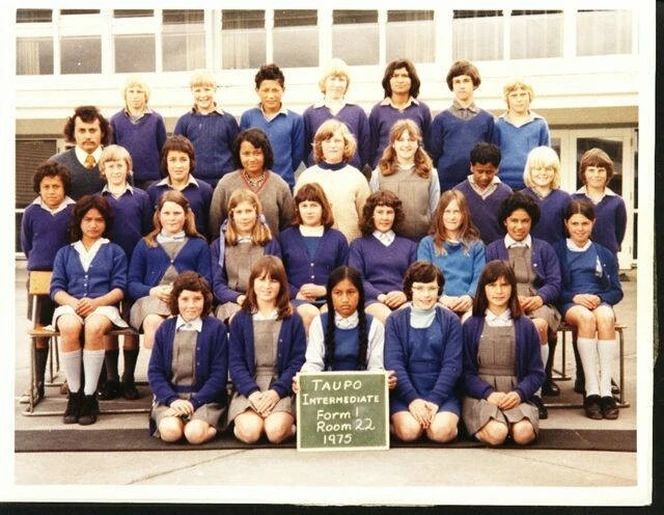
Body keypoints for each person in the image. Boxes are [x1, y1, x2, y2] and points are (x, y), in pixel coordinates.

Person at [49, 195, 129, 426]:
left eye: (99, 220)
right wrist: (73, 303)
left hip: (103, 307)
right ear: (79, 222)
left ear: (106, 223)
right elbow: (56, 288)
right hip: (70, 305)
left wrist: (96, 303)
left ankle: (90, 395)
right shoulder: (65, 252)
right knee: (69, 326)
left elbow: (120, 288)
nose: (93, 225)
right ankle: (74, 394)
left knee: (94, 328)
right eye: (88, 219)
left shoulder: (114, 251)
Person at [485, 192, 563, 417]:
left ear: (532, 222)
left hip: (537, 301)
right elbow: (488, 282)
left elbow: (555, 282)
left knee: (538, 326)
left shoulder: (544, 248)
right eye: (514, 221)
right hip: (503, 301)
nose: (519, 226)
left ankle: (535, 393)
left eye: (525, 221)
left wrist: (539, 298)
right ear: (505, 222)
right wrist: (508, 299)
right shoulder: (494, 249)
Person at [461, 260, 545, 446]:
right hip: (481, 395)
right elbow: (465, 373)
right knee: (497, 434)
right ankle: (487, 427)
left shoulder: (526, 326)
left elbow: (536, 373)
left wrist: (519, 394)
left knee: (523, 434)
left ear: (513, 288)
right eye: (492, 285)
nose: (498, 291)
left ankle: (511, 425)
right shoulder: (471, 325)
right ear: (483, 288)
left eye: (504, 285)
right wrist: (488, 394)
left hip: (514, 394)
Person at [554, 200, 623, 420]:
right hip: (571, 302)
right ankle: (591, 391)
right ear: (566, 224)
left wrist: (600, 297)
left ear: (593, 223)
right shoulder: (557, 250)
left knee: (605, 317)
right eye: (574, 223)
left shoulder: (603, 253)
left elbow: (616, 290)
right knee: (585, 319)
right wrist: (574, 297)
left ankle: (605, 391)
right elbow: (554, 287)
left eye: (585, 223)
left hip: (597, 301)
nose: (580, 228)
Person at [228, 256, 306, 444]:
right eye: (261, 279)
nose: (267, 285)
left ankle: (290, 426)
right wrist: (253, 393)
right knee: (250, 433)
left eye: (273, 280)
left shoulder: (293, 319)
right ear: (252, 282)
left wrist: (276, 392)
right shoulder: (239, 319)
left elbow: (297, 361)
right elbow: (235, 363)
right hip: (249, 388)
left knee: (275, 432)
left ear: (282, 284)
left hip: (281, 388)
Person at [97, 144, 154, 400]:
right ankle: (111, 378)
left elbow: (147, 232)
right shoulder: (99, 199)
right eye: (110, 165)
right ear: (103, 170)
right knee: (110, 318)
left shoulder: (141, 197)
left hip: (134, 263)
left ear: (128, 168)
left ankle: (128, 377)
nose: (115, 170)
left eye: (120, 165)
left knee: (130, 320)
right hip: (108, 265)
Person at [385, 261, 462, 443]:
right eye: (419, 288)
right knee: (409, 432)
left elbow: (452, 365)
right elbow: (394, 363)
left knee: (441, 433)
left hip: (442, 393)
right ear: (410, 290)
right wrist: (413, 400)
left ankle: (453, 424)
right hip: (406, 393)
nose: (426, 295)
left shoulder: (451, 321)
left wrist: (435, 400)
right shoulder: (395, 320)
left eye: (432, 288)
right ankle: (397, 423)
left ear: (439, 289)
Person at [148, 271, 229, 444]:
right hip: (172, 398)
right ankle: (175, 420)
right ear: (176, 300)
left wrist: (194, 403)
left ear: (205, 300)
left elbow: (219, 376)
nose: (191, 305)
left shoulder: (216, 328)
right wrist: (172, 400)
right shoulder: (165, 328)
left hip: (205, 400)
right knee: (171, 433)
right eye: (185, 299)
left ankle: (215, 425)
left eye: (197, 299)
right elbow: (155, 372)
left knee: (194, 435)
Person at [128, 190, 211, 350]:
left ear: (186, 215)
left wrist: (183, 291)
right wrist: (153, 291)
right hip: (151, 301)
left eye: (176, 213)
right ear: (158, 215)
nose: (171, 218)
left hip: (187, 300)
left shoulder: (198, 244)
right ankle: (155, 373)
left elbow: (207, 281)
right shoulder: (145, 244)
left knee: (179, 320)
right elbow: (132, 284)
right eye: (166, 213)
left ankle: (183, 371)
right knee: (153, 322)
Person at [20, 161, 75, 401]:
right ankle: (37, 383)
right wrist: (38, 270)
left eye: (56, 186)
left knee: (69, 327)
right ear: (38, 188)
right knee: (41, 330)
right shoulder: (31, 212)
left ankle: (71, 379)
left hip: (67, 279)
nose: (51, 191)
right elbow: (27, 245)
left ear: (64, 188)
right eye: (46, 186)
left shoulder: (73, 210)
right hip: (40, 279)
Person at [278, 183, 349, 333]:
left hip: (330, 297)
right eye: (304, 205)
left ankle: (330, 356)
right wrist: (296, 293)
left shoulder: (337, 238)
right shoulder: (285, 238)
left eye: (314, 205)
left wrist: (324, 290)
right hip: (295, 299)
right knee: (309, 315)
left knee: (329, 315)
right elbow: (278, 275)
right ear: (297, 209)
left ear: (323, 208)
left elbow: (345, 274)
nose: (309, 211)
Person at [297, 266, 390, 376]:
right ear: (330, 295)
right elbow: (313, 364)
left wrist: (382, 379)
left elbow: (376, 367)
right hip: (327, 390)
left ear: (360, 294)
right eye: (338, 293)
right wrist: (304, 381)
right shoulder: (319, 323)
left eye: (351, 292)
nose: (345, 299)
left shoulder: (374, 325)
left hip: (363, 391)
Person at [211, 188, 281, 324]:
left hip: (264, 298)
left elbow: (277, 278)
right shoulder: (219, 245)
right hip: (232, 302)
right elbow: (217, 284)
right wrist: (238, 298)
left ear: (256, 213)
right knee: (239, 320)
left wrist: (260, 298)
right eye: (239, 212)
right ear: (232, 214)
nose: (244, 217)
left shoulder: (270, 243)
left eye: (248, 211)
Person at [209, 128, 294, 240]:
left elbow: (288, 226)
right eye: (246, 154)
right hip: (233, 252)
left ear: (266, 154)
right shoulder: (226, 183)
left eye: (257, 153)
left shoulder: (280, 185)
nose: (252, 158)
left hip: (270, 252)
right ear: (238, 155)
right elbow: (215, 222)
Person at [294, 119, 370, 242]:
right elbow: (297, 213)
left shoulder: (357, 177)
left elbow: (365, 216)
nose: (333, 145)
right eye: (327, 141)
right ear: (320, 145)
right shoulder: (307, 176)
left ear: (346, 144)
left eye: (337, 141)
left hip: (349, 243)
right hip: (317, 245)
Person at [349, 190, 417, 324]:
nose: (385, 218)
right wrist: (379, 296)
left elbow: (415, 279)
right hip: (372, 300)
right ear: (371, 215)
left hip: (402, 298)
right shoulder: (358, 245)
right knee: (388, 318)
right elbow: (357, 278)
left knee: (407, 317)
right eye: (380, 212)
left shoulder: (410, 246)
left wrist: (404, 294)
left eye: (389, 212)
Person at [417, 190, 485, 320]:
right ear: (440, 215)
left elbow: (479, 276)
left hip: (467, 302)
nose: (451, 217)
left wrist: (470, 297)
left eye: (456, 212)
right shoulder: (427, 244)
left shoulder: (477, 245)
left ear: (464, 215)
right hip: (438, 301)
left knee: (471, 321)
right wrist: (442, 298)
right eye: (447, 212)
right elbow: (424, 277)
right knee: (445, 320)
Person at [370, 119, 440, 241]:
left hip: (422, 238)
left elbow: (435, 208)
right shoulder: (379, 174)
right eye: (400, 140)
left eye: (411, 140)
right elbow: (374, 210)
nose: (406, 144)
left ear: (418, 143)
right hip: (391, 240)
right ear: (393, 143)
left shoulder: (430, 173)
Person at [430, 59, 495, 192]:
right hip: (447, 182)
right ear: (452, 85)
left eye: (466, 80)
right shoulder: (441, 119)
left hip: (478, 183)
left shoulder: (487, 119)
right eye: (457, 81)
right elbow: (434, 154)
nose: (461, 86)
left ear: (474, 84)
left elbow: (492, 154)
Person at [240, 63, 304, 190]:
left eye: (275, 90)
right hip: (253, 186)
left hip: (284, 184)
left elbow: (297, 155)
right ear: (257, 91)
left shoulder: (295, 120)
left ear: (283, 90)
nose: (270, 95)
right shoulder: (248, 117)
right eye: (265, 90)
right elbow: (242, 151)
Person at [173, 69, 240, 188]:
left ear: (215, 90)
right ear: (192, 92)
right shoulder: (184, 121)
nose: (203, 95)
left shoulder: (228, 121)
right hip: (193, 183)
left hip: (223, 183)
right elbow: (176, 154)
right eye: (198, 90)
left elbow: (237, 153)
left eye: (207, 90)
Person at [303, 58, 370, 171]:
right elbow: (304, 149)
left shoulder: (358, 112)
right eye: (332, 79)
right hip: (319, 175)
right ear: (324, 82)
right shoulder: (310, 113)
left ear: (347, 83)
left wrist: (355, 165)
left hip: (349, 173)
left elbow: (365, 147)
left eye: (341, 80)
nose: (337, 84)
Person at [146, 135, 213, 240]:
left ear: (190, 161)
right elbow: (149, 228)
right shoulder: (153, 190)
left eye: (183, 159)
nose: (178, 165)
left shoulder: (205, 190)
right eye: (172, 160)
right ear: (165, 162)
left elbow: (210, 227)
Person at [368, 59, 432, 169]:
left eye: (405, 75)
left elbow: (430, 146)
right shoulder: (377, 111)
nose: (400, 80)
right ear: (388, 81)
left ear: (412, 80)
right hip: (385, 171)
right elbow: (371, 147)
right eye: (395, 76)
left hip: (416, 172)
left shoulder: (422, 110)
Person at [492, 78, 551, 191]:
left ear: (530, 97)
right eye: (514, 95)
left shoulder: (540, 124)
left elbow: (546, 159)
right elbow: (492, 158)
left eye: (523, 94)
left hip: (532, 185)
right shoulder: (498, 124)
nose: (519, 99)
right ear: (507, 99)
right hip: (502, 185)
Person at [110, 75, 167, 190]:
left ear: (145, 96)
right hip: (124, 180)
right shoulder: (115, 120)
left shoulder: (156, 119)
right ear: (125, 95)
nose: (135, 96)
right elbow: (112, 152)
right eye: (131, 91)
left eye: (139, 92)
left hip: (151, 180)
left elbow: (164, 151)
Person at [570, 148, 627, 258]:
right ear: (584, 173)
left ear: (608, 173)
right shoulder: (572, 200)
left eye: (601, 170)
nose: (596, 175)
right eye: (591, 170)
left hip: (608, 259)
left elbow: (619, 235)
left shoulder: (617, 202)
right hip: (579, 259)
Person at [454, 142, 512, 245]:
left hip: (496, 250)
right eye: (480, 171)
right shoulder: (458, 192)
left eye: (489, 172)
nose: (484, 177)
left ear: (497, 169)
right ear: (471, 167)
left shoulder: (506, 193)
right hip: (466, 248)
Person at [49, 105, 112, 200]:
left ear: (102, 133)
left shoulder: (117, 161)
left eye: (92, 130)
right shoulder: (56, 163)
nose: (88, 136)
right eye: (82, 131)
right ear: (73, 133)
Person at [520, 146, 571, 245]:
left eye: (548, 169)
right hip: (526, 255)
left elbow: (570, 233)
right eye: (538, 169)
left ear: (555, 171)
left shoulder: (565, 199)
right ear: (530, 171)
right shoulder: (519, 198)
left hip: (557, 256)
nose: (543, 173)